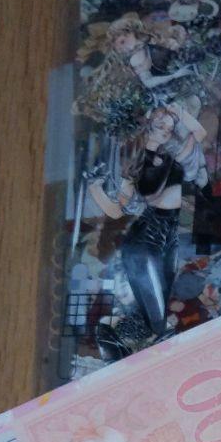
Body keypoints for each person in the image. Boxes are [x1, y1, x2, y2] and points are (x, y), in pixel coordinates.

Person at [87, 106, 207, 358]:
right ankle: (129, 347)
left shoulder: (172, 157)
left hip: (169, 239)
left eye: (170, 129)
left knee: (154, 316)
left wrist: (176, 110)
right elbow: (116, 211)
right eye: (161, 125)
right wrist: (94, 188)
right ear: (148, 125)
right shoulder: (135, 164)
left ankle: (112, 333)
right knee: (159, 320)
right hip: (144, 242)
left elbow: (199, 132)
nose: (166, 131)